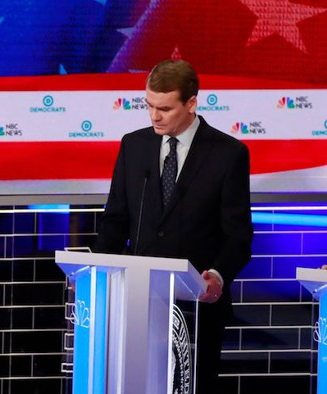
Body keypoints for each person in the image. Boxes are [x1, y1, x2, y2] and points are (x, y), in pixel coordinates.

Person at [93, 59, 252, 393]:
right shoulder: (133, 145)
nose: (154, 116)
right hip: (137, 300)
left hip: (198, 305)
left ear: (191, 103)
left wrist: (218, 275)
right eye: (149, 106)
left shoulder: (228, 153)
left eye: (164, 108)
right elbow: (116, 220)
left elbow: (238, 235)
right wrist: (96, 274)